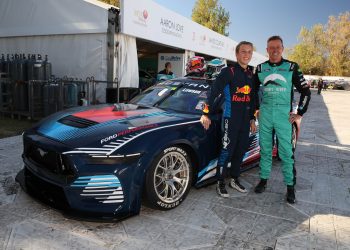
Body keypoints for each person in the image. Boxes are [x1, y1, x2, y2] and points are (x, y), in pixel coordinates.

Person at [253, 36, 311, 204]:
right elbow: (252, 91)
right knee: (265, 149)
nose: (275, 50)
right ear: (267, 50)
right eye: (271, 47)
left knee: (286, 152)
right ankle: (263, 180)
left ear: (283, 48)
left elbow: (306, 92)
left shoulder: (292, 67)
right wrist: (255, 110)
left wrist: (299, 112)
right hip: (265, 114)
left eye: (278, 47)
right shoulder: (260, 68)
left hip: (283, 115)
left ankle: (290, 188)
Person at [200, 41, 257, 198]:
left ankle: (234, 179)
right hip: (230, 119)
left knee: (240, 152)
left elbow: (252, 99)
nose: (246, 55)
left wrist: (252, 118)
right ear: (237, 54)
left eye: (249, 52)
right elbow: (212, 92)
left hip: (245, 122)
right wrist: (206, 113)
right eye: (243, 52)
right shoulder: (228, 72)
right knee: (226, 151)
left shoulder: (251, 74)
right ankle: (220, 182)